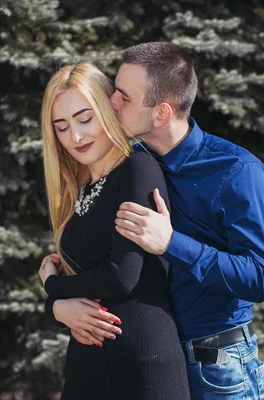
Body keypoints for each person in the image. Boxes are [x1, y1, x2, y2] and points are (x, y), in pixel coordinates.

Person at [45, 42, 264, 400]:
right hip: (149, 355)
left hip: (216, 364)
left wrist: (172, 243)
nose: (112, 102)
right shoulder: (130, 166)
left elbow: (260, 278)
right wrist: (59, 305)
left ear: (162, 114)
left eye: (124, 96)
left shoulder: (235, 170)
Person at [37, 63, 190, 400]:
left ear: (107, 109)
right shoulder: (78, 187)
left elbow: (121, 276)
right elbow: (87, 277)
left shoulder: (137, 168)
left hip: (142, 363)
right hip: (86, 363)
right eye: (61, 127)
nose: (74, 137)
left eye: (85, 119)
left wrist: (53, 287)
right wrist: (57, 308)